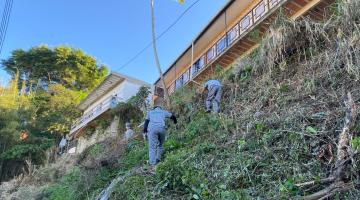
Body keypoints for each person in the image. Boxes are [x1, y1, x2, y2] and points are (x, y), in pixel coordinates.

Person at [143, 103, 177, 169]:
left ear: (154, 108)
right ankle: (158, 159)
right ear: (160, 108)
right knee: (160, 145)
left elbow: (146, 122)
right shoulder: (163, 112)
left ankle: (153, 163)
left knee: (152, 147)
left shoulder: (150, 112)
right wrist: (175, 122)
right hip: (162, 128)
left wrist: (145, 131)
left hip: (152, 130)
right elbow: (173, 116)